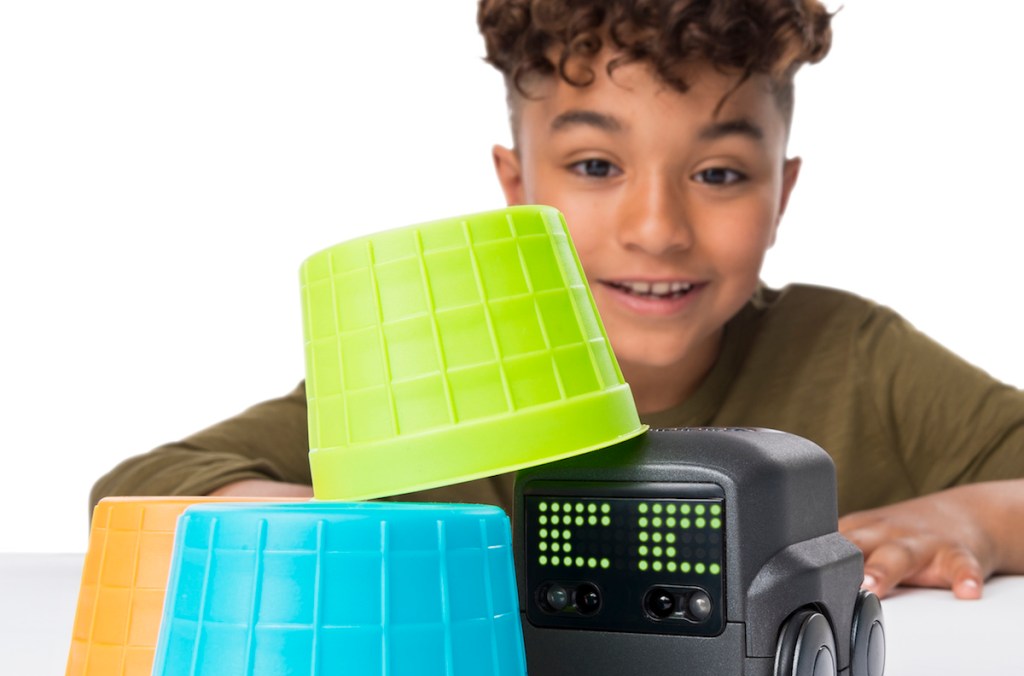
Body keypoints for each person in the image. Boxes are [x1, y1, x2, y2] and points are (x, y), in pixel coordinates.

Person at [91, 0, 1024, 601]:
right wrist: (353, 537)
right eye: (593, 166)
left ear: (780, 192)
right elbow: (136, 492)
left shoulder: (853, 355)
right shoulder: (436, 365)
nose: (657, 227)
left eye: (718, 172)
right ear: (516, 182)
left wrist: (975, 518)